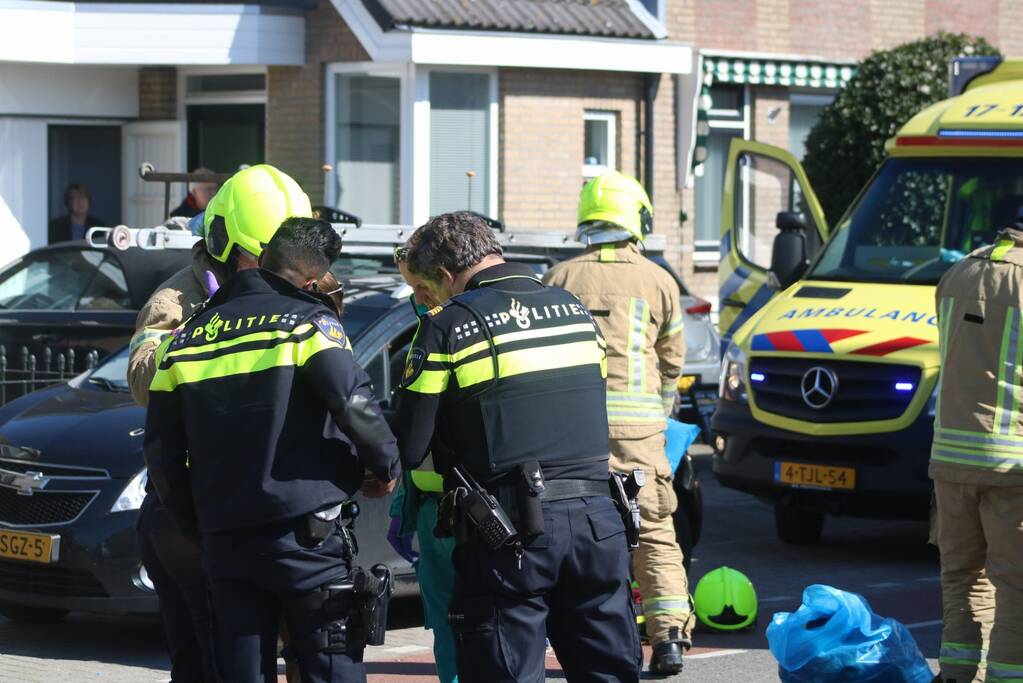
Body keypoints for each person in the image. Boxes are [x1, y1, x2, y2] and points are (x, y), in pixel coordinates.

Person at [144, 217, 401, 683]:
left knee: (241, 671)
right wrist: (385, 468)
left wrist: (196, 522)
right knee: (331, 666)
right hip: (308, 539)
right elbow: (354, 403)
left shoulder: (185, 340)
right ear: (310, 281)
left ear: (262, 260)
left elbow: (160, 453)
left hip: (226, 540)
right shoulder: (309, 324)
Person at [394, 212, 642, 683]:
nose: (426, 299)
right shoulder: (573, 308)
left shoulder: (449, 326)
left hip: (510, 535)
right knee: (609, 672)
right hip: (599, 522)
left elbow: (410, 446)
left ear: (446, 276)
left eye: (429, 288)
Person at [128, 164, 313, 682]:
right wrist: (214, 330)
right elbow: (144, 380)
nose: (279, 268)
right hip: (195, 513)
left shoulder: (306, 284)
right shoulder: (178, 300)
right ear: (224, 243)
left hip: (277, 506)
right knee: (211, 662)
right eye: (265, 255)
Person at [542, 170, 692, 675]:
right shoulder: (659, 281)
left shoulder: (559, 278)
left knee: (580, 532)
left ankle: (588, 639)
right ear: (636, 218)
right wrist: (659, 412)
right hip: (640, 436)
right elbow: (672, 363)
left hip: (569, 434)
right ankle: (668, 637)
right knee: (652, 529)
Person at [930, 215, 1023, 683]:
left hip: (950, 456)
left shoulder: (957, 273)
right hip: (1012, 463)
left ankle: (956, 675)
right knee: (1016, 587)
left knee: (962, 576)